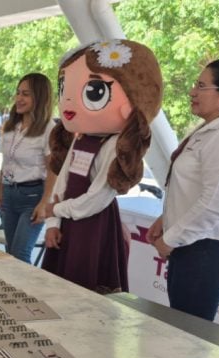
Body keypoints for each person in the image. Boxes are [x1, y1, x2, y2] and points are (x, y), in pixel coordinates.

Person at [147, 58, 219, 321]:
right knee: (180, 330)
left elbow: (214, 204)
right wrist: (167, 218)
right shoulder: (213, 128)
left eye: (201, 86)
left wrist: (170, 238)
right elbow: (194, 189)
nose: (192, 92)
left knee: (189, 337)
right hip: (193, 245)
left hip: (208, 251)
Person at [41, 40, 163, 294]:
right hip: (68, 222)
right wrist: (53, 223)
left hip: (93, 227)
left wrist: (58, 209)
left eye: (95, 91)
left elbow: (98, 197)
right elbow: (61, 182)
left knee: (86, 287)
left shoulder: (114, 145)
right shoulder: (81, 137)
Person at [0, 73, 55, 263]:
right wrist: (0, 191)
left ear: (40, 97)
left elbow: (53, 170)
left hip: (32, 197)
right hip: (9, 195)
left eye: (26, 94)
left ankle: (26, 293)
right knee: (10, 254)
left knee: (20, 255)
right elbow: (6, 162)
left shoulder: (48, 128)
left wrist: (44, 203)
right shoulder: (12, 125)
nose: (19, 99)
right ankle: (12, 292)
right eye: (18, 93)